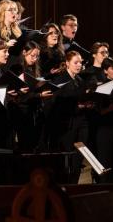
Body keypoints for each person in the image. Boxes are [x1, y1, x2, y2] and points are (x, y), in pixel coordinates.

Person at [47, 51, 88, 183]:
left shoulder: (80, 80)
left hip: (80, 123)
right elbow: (56, 106)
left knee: (78, 158)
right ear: (67, 64)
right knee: (67, 158)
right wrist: (77, 107)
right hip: (66, 126)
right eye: (75, 62)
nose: (79, 65)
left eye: (80, 62)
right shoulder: (60, 80)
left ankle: (74, 183)